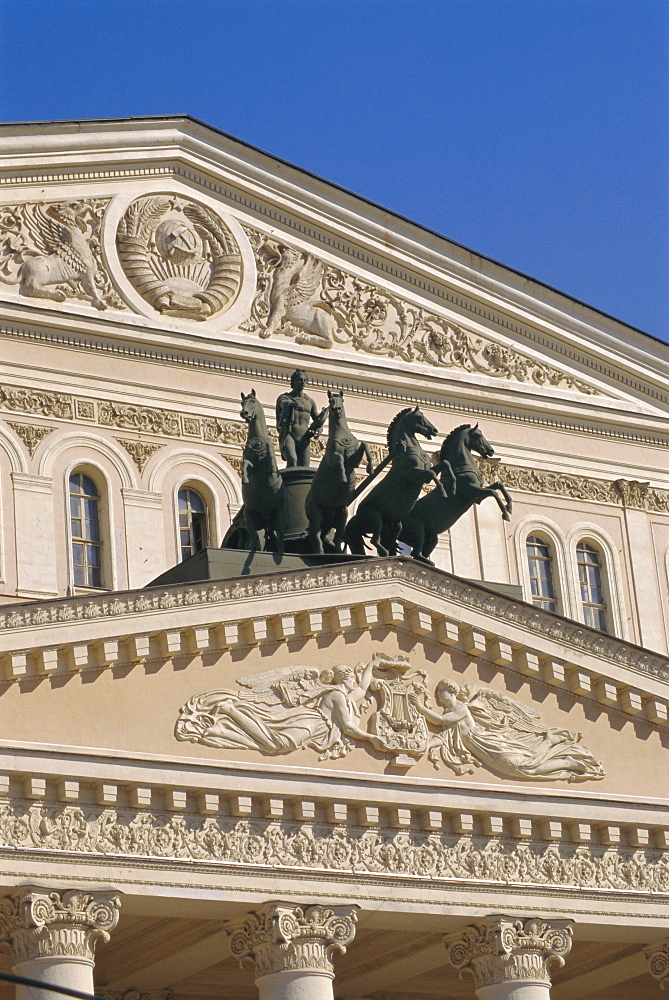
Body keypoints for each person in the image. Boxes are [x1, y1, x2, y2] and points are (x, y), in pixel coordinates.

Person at [275, 369, 326, 467]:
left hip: (304, 437)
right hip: (289, 434)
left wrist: (319, 428)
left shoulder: (309, 402)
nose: (302, 382)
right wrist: (291, 405)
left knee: (304, 466)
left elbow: (317, 420)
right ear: (293, 381)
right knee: (292, 460)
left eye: (304, 380)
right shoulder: (285, 398)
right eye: (299, 380)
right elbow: (282, 404)